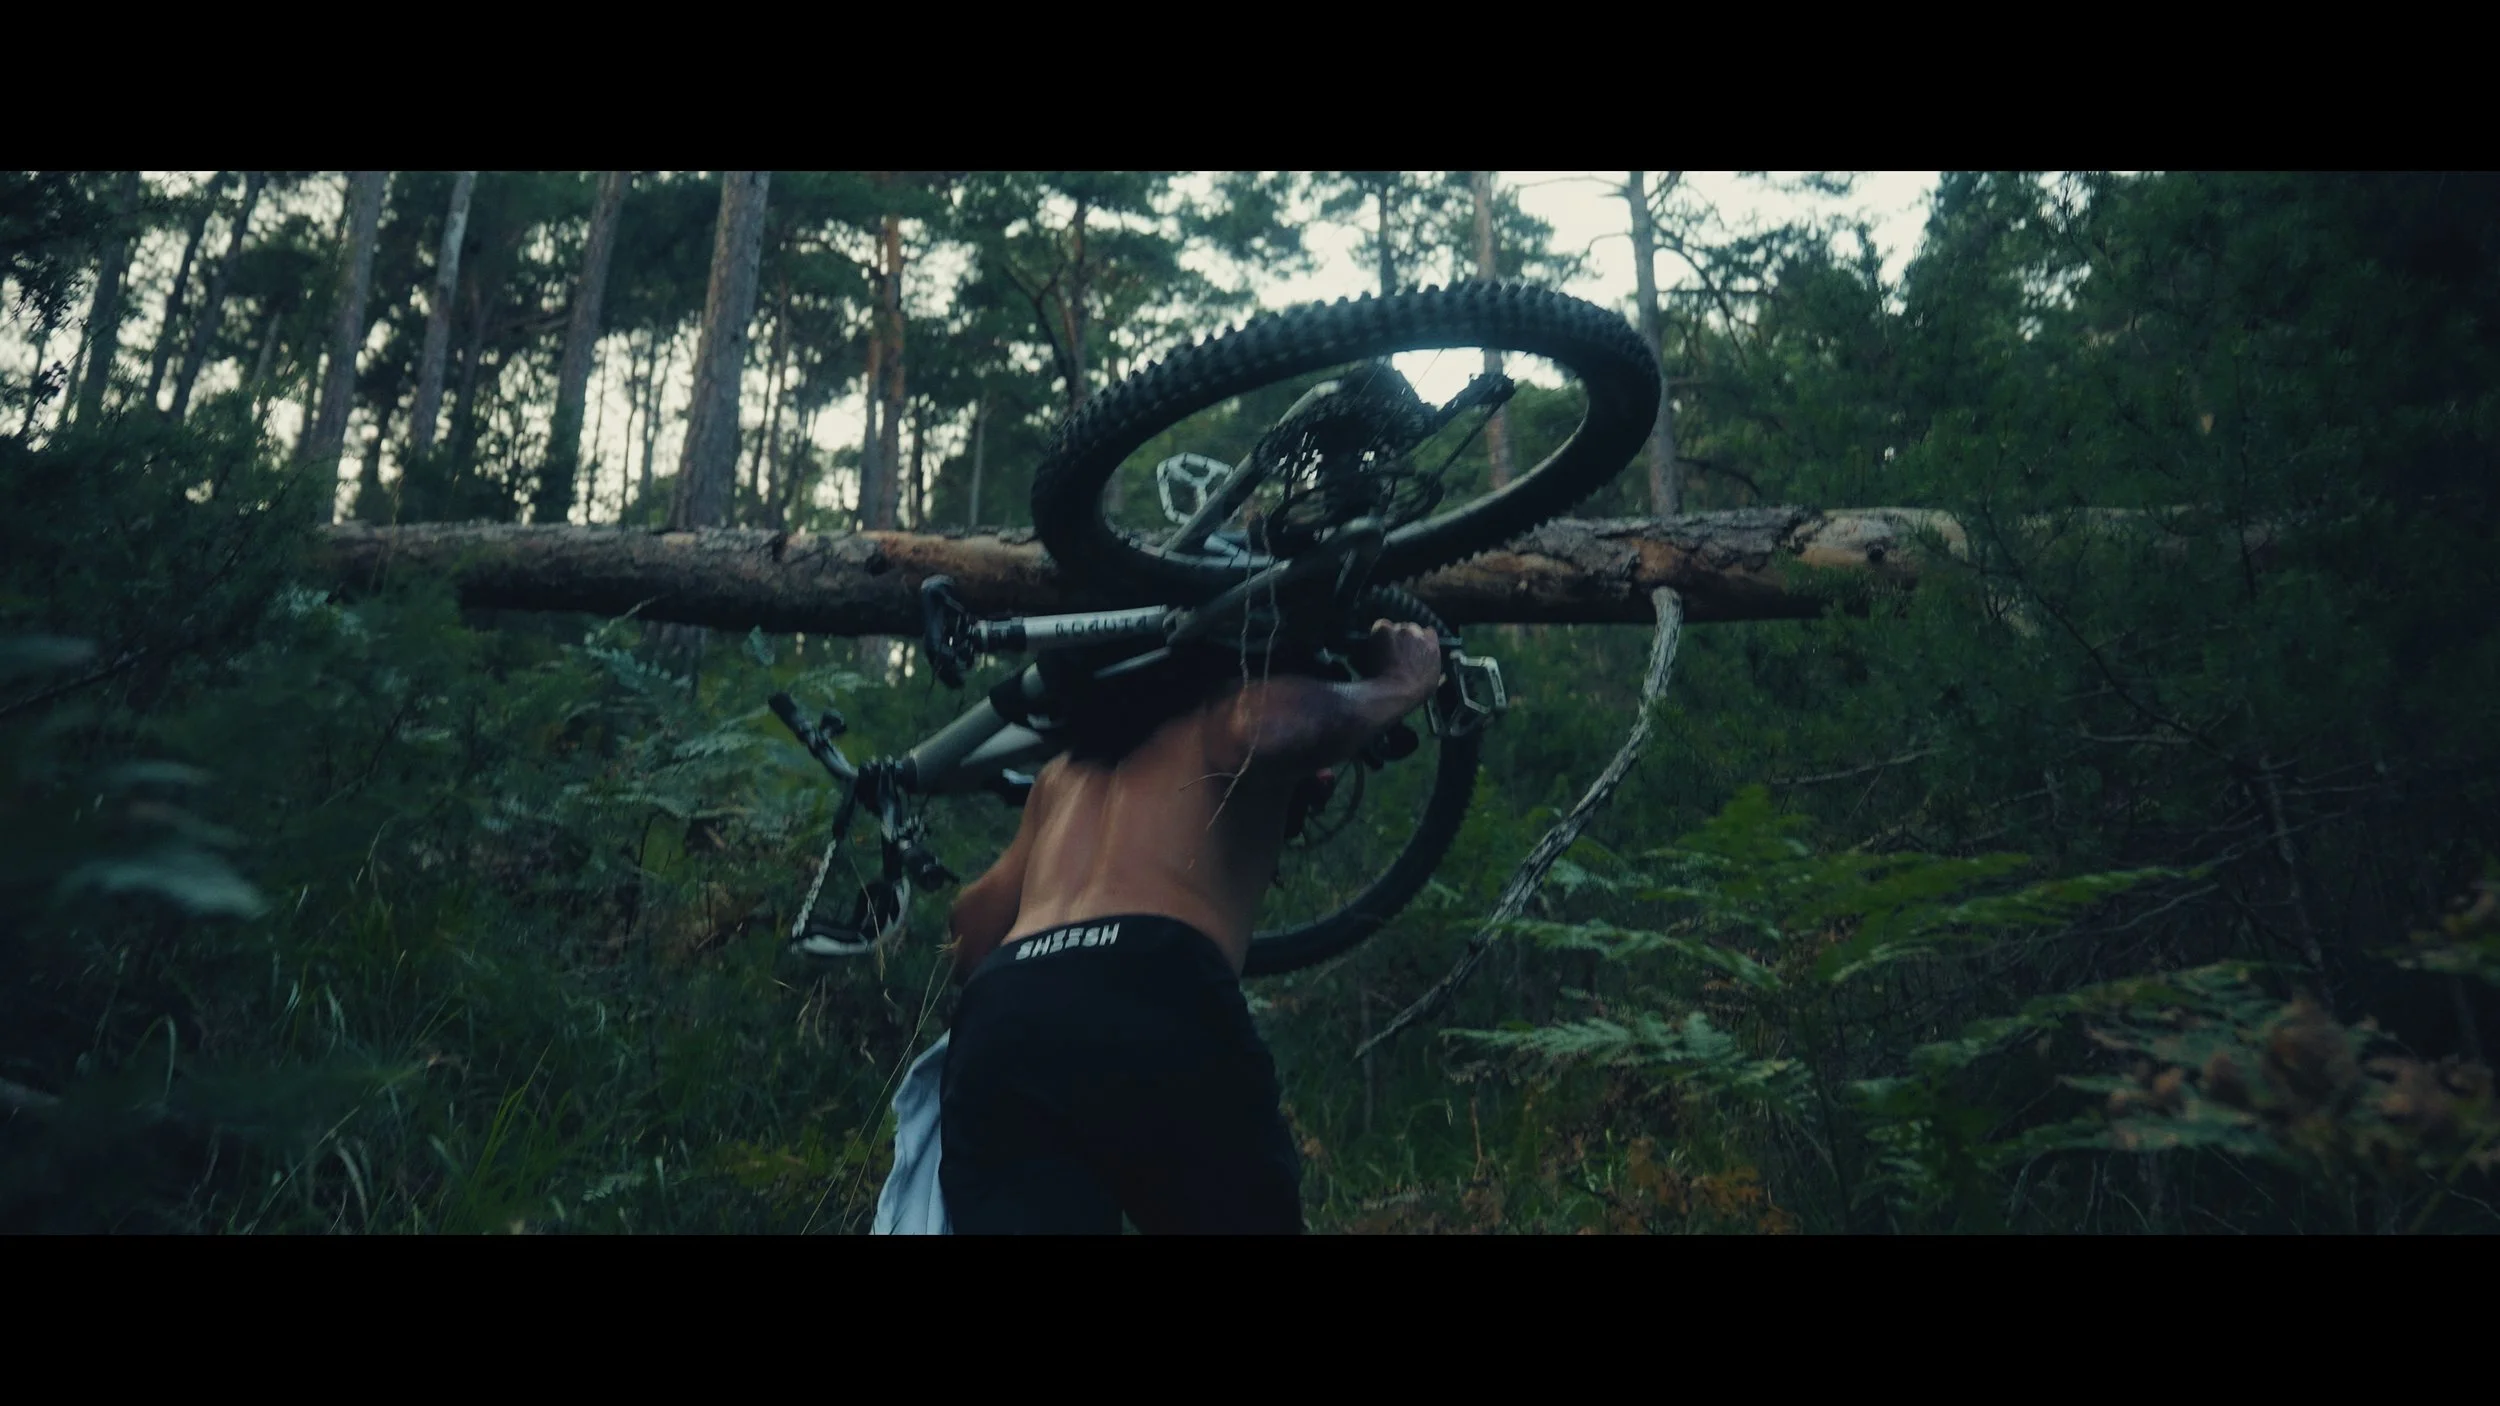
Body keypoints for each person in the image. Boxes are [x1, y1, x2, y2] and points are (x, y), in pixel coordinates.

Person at [928, 617, 1446, 1234]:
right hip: (1151, 978)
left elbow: (969, 939)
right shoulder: (1226, 714)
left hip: (1004, 1007)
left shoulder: (1063, 775)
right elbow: (1274, 727)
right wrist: (1403, 683)